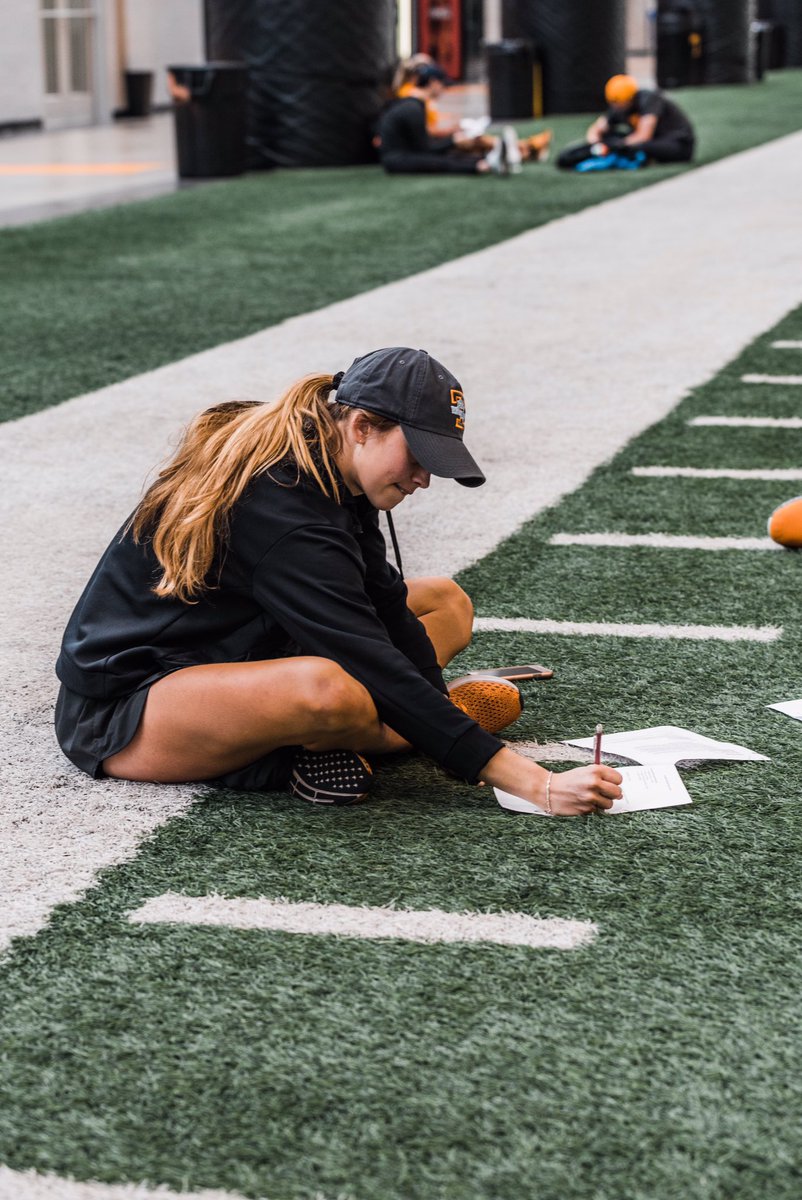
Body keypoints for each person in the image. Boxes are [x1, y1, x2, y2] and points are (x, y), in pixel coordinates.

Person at [54, 347, 622, 817]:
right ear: (361, 426)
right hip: (126, 708)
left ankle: (407, 725)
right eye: (419, 456)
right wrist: (534, 783)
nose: (425, 478)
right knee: (331, 690)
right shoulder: (280, 507)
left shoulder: (331, 467)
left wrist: (431, 707)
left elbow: (389, 613)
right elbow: (366, 654)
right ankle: (386, 736)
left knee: (444, 601)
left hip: (242, 649)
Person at [378, 63, 551, 176]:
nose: (444, 90)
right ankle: (500, 158)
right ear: (433, 83)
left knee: (460, 148)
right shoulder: (412, 107)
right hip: (399, 158)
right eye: (443, 85)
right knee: (444, 159)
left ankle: (513, 152)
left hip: (405, 153)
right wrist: (453, 139)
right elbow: (425, 147)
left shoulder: (413, 105)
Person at [558, 74, 695, 169]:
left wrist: (615, 145)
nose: (617, 108)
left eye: (620, 104)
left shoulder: (649, 99)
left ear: (630, 98)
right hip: (651, 142)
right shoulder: (618, 107)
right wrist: (595, 145)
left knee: (635, 146)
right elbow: (597, 129)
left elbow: (643, 136)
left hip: (677, 144)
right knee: (614, 139)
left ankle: (641, 158)